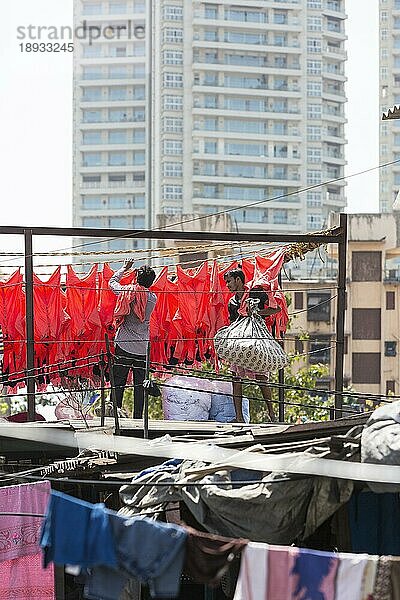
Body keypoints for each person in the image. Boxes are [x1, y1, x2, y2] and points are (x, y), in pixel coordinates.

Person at [223, 268, 281, 423]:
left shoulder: (255, 294)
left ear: (238, 280)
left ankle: (272, 415)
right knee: (236, 378)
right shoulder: (232, 302)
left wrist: (256, 314)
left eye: (229, 281)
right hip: (239, 344)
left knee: (261, 378)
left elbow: (276, 308)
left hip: (255, 342)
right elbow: (232, 323)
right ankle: (239, 417)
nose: (227, 285)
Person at [109, 259, 157, 418]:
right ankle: (138, 417)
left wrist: (124, 267)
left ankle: (115, 412)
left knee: (118, 380)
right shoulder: (153, 299)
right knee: (140, 384)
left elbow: (112, 282)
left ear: (136, 278)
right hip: (142, 348)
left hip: (123, 344)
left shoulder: (127, 292)